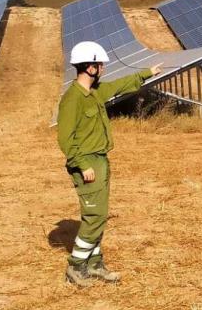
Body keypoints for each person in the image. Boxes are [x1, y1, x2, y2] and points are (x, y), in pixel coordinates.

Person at [56, 40, 162, 286]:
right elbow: (65, 138)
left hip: (100, 160)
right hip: (88, 163)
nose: (103, 68)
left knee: (99, 216)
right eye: (100, 64)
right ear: (90, 67)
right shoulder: (73, 98)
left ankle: (94, 264)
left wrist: (147, 73)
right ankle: (76, 267)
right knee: (94, 216)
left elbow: (117, 86)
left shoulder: (93, 93)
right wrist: (82, 165)